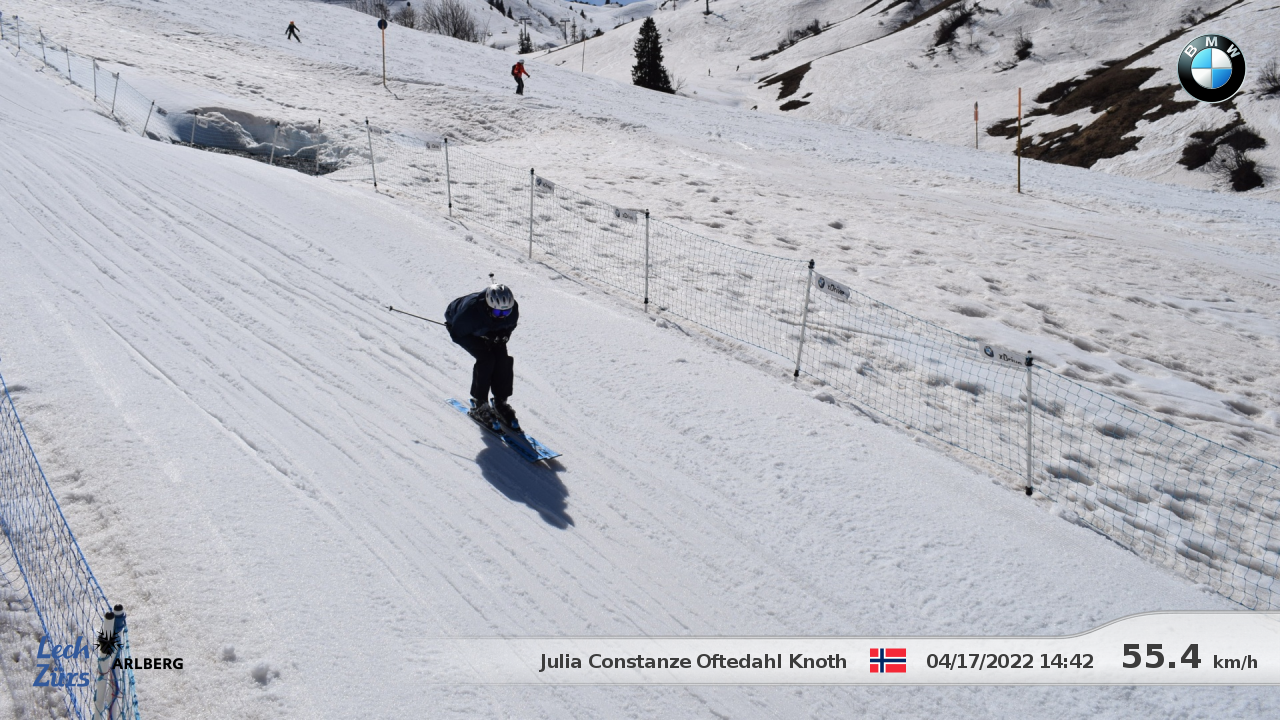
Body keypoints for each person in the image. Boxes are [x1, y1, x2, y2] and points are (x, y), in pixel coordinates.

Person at [445, 282, 521, 430]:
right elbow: (457, 334)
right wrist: (483, 339)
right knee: (487, 359)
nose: (502, 316)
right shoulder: (470, 314)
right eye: (498, 312)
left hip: (488, 328)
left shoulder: (512, 310)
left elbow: (510, 326)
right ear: (488, 307)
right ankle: (480, 403)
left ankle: (500, 402)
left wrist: (503, 335)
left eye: (506, 312)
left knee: (503, 360)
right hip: (464, 329)